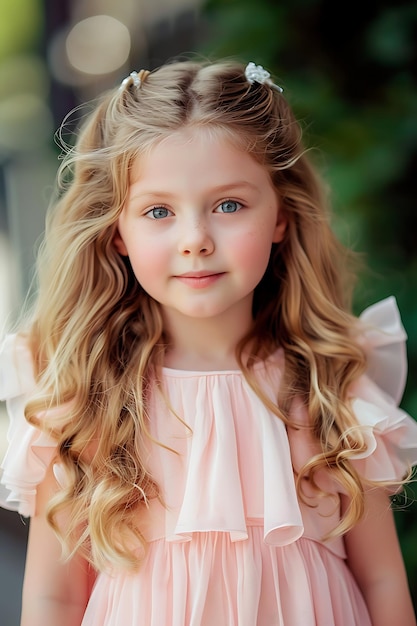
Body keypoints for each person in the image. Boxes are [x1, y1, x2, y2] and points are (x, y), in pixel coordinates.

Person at [0, 58, 416, 626]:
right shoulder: (87, 393)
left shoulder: (330, 378)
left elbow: (383, 577)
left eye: (228, 205)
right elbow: (56, 597)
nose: (195, 239)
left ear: (281, 216)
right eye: (158, 211)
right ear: (117, 231)